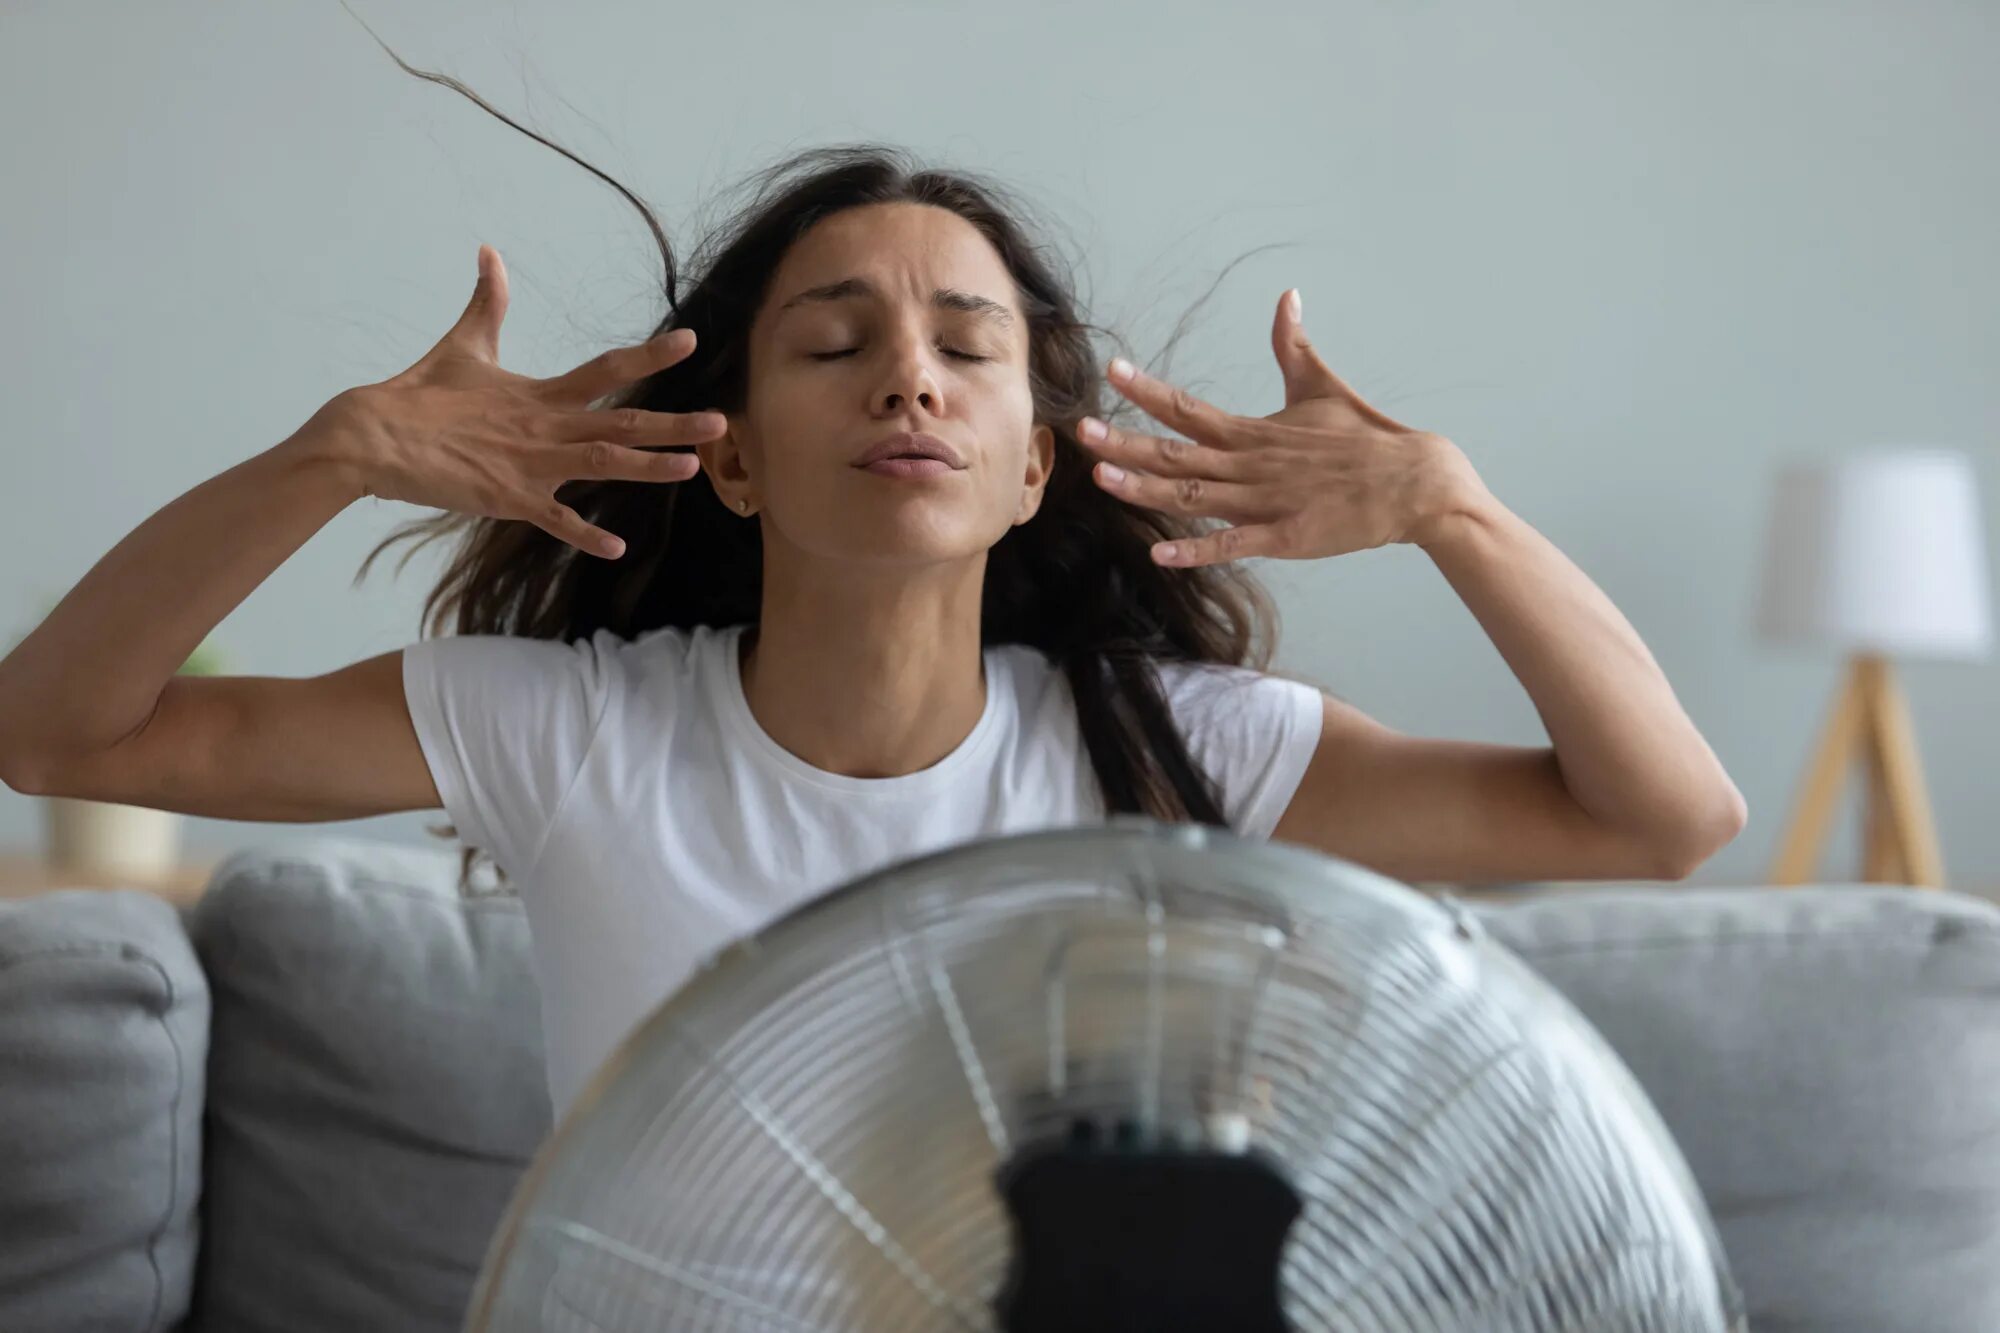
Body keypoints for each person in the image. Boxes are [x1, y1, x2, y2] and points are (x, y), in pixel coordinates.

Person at [0, 115, 1744, 1121]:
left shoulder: (1171, 747)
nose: (909, 375)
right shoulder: (570, 726)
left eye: (966, 349)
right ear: (737, 465)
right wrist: (334, 456)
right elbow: (56, 730)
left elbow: (1665, 819)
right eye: (836, 343)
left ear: (1035, 469)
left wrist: (1454, 507)